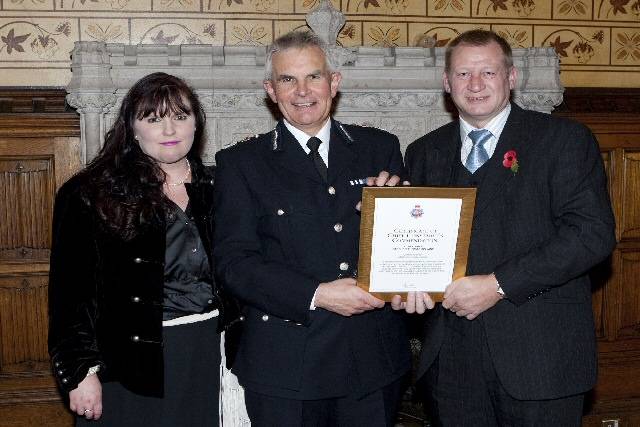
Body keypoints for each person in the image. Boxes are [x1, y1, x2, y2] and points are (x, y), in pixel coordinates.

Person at [400, 29, 616, 426]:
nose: (476, 84)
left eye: (488, 72)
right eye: (463, 74)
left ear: (511, 77)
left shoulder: (563, 140)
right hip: (452, 364)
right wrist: (404, 285)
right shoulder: (424, 152)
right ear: (447, 84)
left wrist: (498, 284)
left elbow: (590, 234)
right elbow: (416, 245)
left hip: (540, 359)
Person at [213, 30, 411, 427]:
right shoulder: (242, 162)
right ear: (271, 90)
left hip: (370, 358)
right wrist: (317, 294)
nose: (302, 91)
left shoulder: (379, 148)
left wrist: (402, 213)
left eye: (314, 77)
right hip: (286, 364)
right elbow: (234, 263)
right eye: (288, 79)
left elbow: (403, 249)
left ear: (334, 83)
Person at [48, 72, 239, 426]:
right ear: (132, 128)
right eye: (154, 119)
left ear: (197, 124)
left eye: (180, 116)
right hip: (127, 360)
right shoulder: (90, 194)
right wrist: (79, 372)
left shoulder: (222, 186)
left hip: (210, 353)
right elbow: (69, 297)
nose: (170, 130)